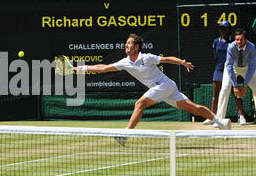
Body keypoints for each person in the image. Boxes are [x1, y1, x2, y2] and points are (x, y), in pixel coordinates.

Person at [74, 33, 231, 133]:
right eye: (126, 43)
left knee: (139, 104)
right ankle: (222, 122)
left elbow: (166, 59)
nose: (126, 45)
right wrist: (84, 68)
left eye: (129, 43)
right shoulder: (125, 62)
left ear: (136, 47)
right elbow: (104, 68)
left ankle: (126, 134)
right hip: (164, 88)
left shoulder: (146, 57)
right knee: (192, 107)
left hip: (164, 85)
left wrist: (183, 62)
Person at [203, 21, 246, 126]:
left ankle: (241, 117)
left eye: (225, 29)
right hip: (219, 70)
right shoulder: (216, 42)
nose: (223, 31)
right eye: (221, 28)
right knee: (216, 94)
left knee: (236, 94)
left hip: (231, 69)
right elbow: (216, 55)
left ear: (229, 30)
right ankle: (212, 117)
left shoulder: (234, 42)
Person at [216, 29, 256, 123]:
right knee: (225, 88)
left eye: (241, 39)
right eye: (237, 40)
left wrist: (245, 85)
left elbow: (252, 66)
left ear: (245, 40)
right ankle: (219, 119)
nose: (239, 42)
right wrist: (235, 85)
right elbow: (229, 66)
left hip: (247, 68)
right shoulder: (231, 47)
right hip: (232, 67)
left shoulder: (252, 47)